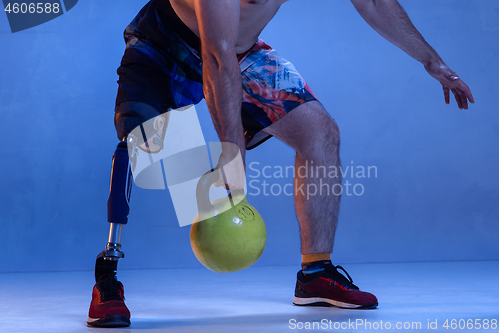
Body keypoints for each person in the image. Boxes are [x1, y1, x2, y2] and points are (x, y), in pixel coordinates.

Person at [87, 0, 474, 327]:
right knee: (144, 148)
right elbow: (216, 58)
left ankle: (316, 273)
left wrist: (432, 61)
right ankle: (108, 274)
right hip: (164, 46)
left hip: (240, 51)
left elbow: (372, 1)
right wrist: (231, 155)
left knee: (320, 133)